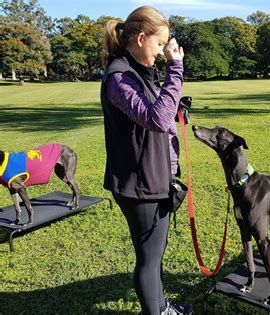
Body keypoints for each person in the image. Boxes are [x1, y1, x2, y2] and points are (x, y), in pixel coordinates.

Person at [101, 6, 192, 315]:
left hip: (153, 178)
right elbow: (156, 118)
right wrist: (175, 67)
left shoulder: (138, 72)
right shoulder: (119, 77)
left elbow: (159, 111)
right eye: (158, 44)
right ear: (140, 38)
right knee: (149, 259)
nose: (162, 52)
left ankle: (161, 307)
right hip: (138, 184)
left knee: (155, 256)